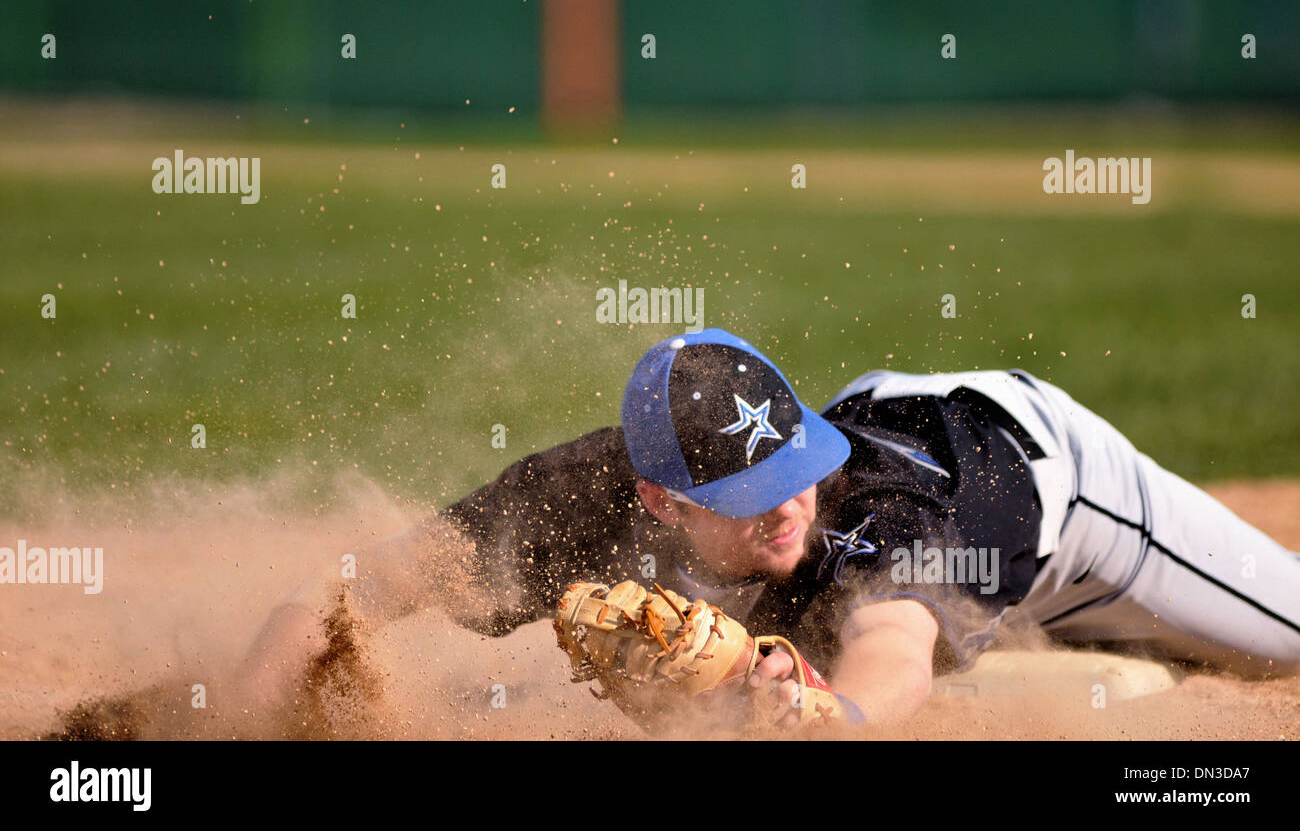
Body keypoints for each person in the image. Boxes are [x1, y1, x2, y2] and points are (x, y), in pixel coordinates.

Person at [239, 328, 1300, 727]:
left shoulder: (887, 512)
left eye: (794, 468)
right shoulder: (583, 494)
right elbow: (354, 586)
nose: (790, 500)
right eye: (750, 494)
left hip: (1057, 493)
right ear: (660, 497)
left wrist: (817, 711)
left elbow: (886, 664)